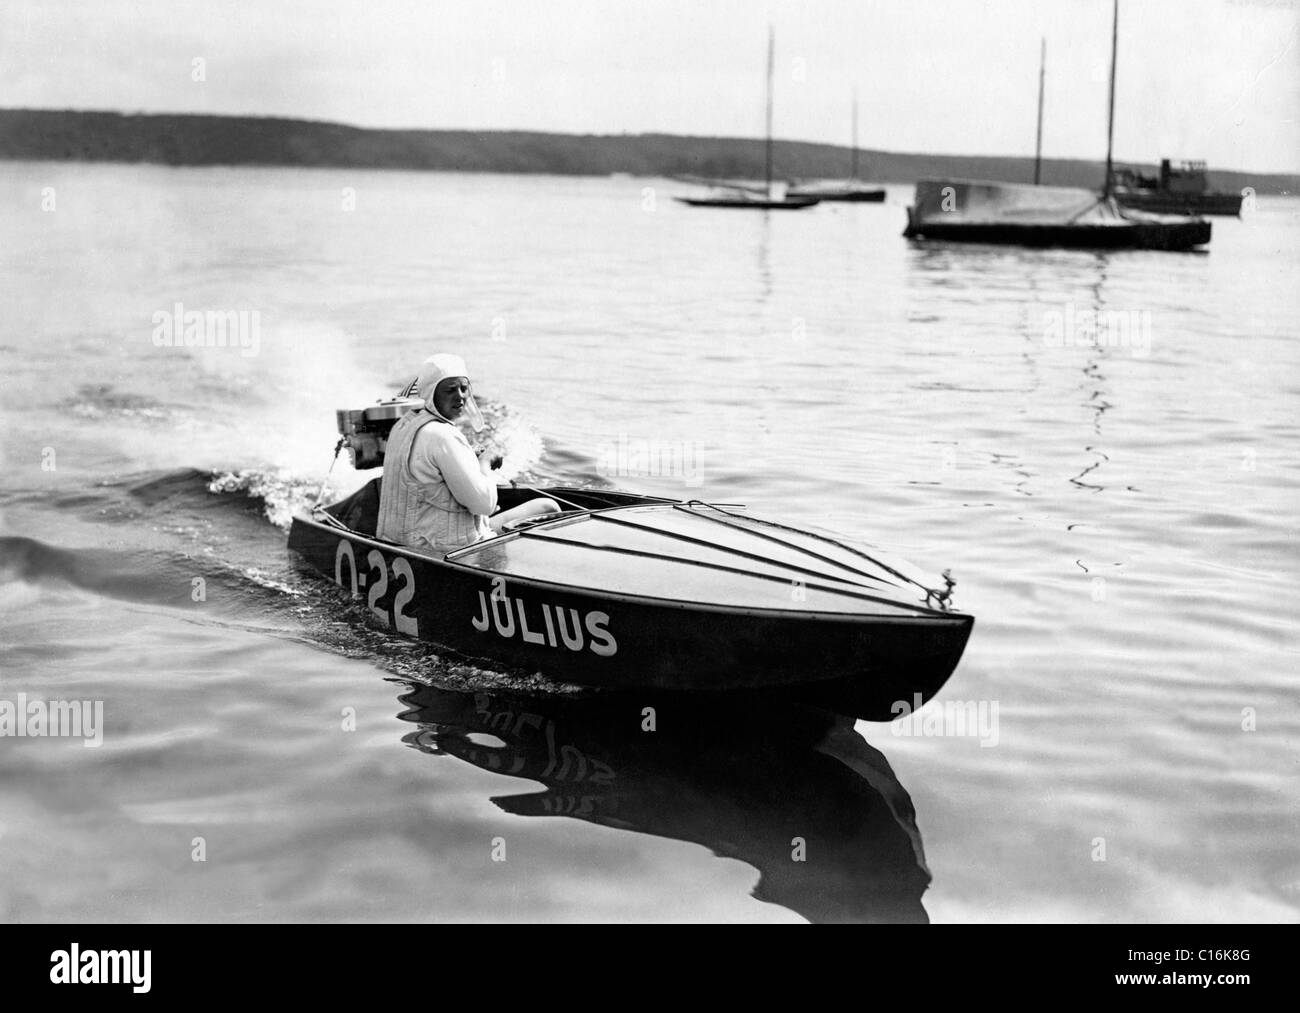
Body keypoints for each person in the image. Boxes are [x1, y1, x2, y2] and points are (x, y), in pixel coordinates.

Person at [376, 354, 560, 551]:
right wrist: (485, 463)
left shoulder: (403, 426)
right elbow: (485, 505)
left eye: (464, 388)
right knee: (548, 507)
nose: (460, 396)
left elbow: (425, 464)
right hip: (445, 550)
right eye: (450, 390)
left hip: (398, 541)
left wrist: (469, 456)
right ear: (430, 393)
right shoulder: (443, 435)